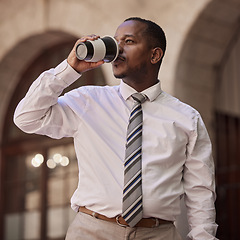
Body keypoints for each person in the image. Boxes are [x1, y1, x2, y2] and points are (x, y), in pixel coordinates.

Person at [14, 17, 218, 239]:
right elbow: (26, 117)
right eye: (115, 41)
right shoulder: (88, 101)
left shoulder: (187, 118)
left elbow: (200, 191)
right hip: (91, 231)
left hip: (158, 234)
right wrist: (69, 69)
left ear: (155, 55)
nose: (117, 49)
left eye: (128, 41)